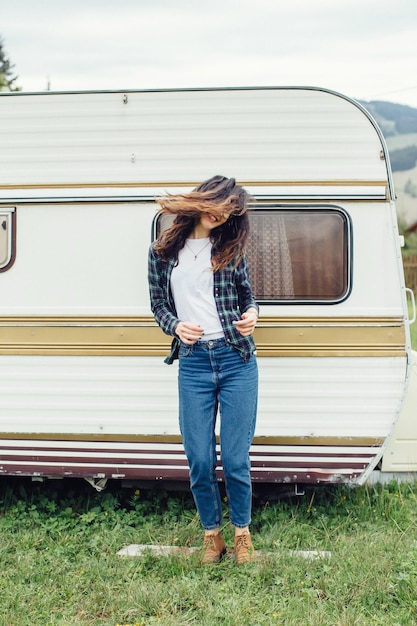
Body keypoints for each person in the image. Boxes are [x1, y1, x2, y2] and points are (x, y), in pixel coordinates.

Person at [148, 175, 259, 565]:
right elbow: (159, 305)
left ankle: (242, 535)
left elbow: (248, 296)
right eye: (220, 204)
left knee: (234, 458)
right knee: (198, 458)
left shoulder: (230, 246)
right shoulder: (163, 251)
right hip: (194, 363)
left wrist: (252, 316)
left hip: (236, 358)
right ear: (203, 200)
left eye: (231, 210)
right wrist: (175, 325)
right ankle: (213, 537)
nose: (222, 214)